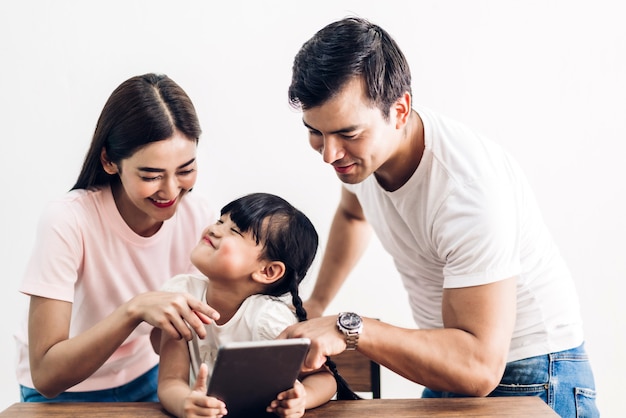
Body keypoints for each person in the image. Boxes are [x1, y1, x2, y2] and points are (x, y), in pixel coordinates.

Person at [279, 17, 599, 418]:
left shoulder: (467, 191)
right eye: (315, 132)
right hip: (452, 356)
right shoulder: (361, 157)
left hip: (529, 370)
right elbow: (352, 214)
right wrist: (317, 303)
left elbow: (480, 368)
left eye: (347, 133)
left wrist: (349, 327)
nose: (329, 154)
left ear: (399, 111)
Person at [14, 73, 220, 402]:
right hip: (65, 391)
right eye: (151, 175)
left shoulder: (199, 217)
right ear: (110, 161)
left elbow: (168, 339)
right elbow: (46, 375)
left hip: (148, 377)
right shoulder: (68, 220)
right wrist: (134, 309)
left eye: (185, 170)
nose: (171, 191)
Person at [157, 192, 337, 418]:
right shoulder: (181, 296)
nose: (214, 229)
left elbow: (324, 378)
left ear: (267, 271)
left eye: (234, 231)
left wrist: (303, 398)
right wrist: (186, 404)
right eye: (220, 221)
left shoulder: (268, 319)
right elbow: (170, 380)